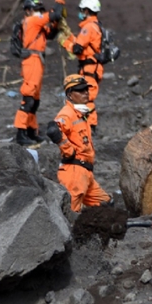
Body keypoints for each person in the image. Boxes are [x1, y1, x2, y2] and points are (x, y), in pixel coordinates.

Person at [46, 75, 112, 212]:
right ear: (70, 94)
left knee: (106, 204)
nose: (85, 93)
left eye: (86, 89)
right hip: (74, 171)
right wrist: (68, 150)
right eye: (80, 91)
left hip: (86, 172)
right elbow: (53, 130)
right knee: (70, 213)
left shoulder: (80, 113)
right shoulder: (67, 114)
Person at [13, 0, 64, 146]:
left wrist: (56, 25)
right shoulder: (32, 21)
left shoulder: (38, 25)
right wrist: (59, 1)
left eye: (41, 10)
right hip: (32, 59)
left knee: (35, 100)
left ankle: (31, 130)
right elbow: (55, 14)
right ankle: (20, 132)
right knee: (28, 97)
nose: (39, 13)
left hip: (38, 59)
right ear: (28, 11)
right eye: (36, 10)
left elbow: (51, 33)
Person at [62, 0, 104, 131]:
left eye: (82, 10)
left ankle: (90, 126)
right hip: (92, 66)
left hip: (89, 67)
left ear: (87, 10)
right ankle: (89, 125)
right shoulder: (95, 25)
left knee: (87, 96)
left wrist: (65, 43)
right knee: (87, 95)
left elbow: (77, 48)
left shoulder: (89, 27)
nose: (81, 12)